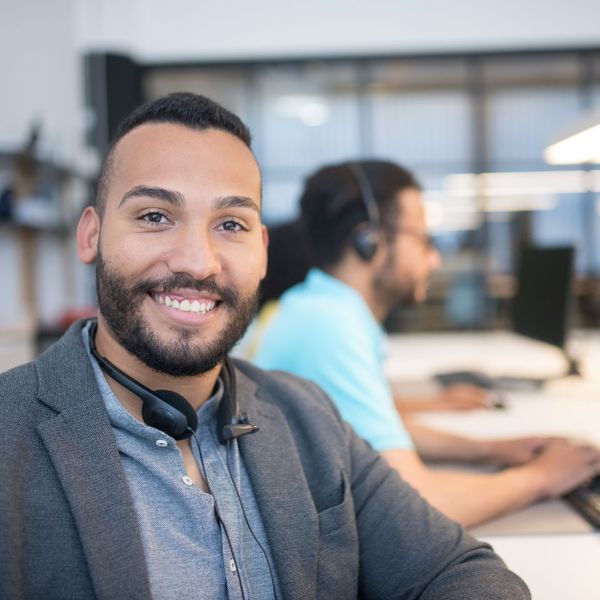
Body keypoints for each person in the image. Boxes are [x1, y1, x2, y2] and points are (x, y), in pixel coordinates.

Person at [0, 93, 530, 599]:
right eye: (155, 216)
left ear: (263, 251)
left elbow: (462, 572)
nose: (197, 262)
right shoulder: (10, 435)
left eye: (231, 224)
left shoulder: (308, 415)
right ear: (90, 235)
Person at [253, 159, 600, 528]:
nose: (434, 259)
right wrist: (543, 477)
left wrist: (489, 450)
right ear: (368, 240)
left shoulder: (323, 306)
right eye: (424, 240)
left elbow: (372, 428)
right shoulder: (329, 325)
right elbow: (414, 507)